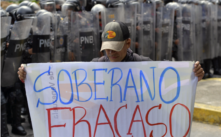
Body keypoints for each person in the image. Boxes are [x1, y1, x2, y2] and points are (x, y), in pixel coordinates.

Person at [18, 21, 205, 81]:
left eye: (115, 48)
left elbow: (171, 81)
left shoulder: (144, 65)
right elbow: (64, 81)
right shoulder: (94, 67)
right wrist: (31, 76)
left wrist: (194, 74)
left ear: (128, 43)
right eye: (107, 49)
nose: (111, 53)